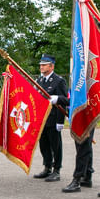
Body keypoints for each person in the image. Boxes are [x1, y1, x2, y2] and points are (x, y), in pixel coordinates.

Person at [33, 54, 69, 182]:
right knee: (44, 144)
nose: (41, 67)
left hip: (53, 118)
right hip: (42, 119)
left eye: (44, 65)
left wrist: (60, 121)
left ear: (51, 66)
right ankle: (47, 166)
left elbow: (65, 100)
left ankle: (57, 169)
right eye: (40, 65)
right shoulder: (39, 81)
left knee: (56, 145)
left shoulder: (59, 81)